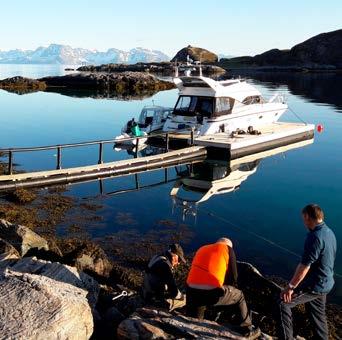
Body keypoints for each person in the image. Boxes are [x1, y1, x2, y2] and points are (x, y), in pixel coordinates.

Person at [279, 204, 337, 340]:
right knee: (317, 313)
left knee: (283, 304)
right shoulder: (330, 232)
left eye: (303, 219)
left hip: (315, 285)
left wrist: (290, 287)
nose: (303, 222)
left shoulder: (315, 237)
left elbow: (304, 266)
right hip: (327, 282)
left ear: (307, 217)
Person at [186, 237, 261, 339]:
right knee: (239, 296)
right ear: (229, 245)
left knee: (193, 320)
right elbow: (234, 277)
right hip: (211, 294)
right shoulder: (227, 249)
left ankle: (192, 321)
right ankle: (246, 330)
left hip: (191, 290)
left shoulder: (202, 248)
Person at [142, 243, 186, 311]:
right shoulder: (165, 266)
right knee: (184, 300)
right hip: (154, 301)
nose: (179, 263)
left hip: (145, 293)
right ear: (174, 256)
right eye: (179, 259)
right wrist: (182, 296)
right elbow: (174, 293)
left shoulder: (157, 257)